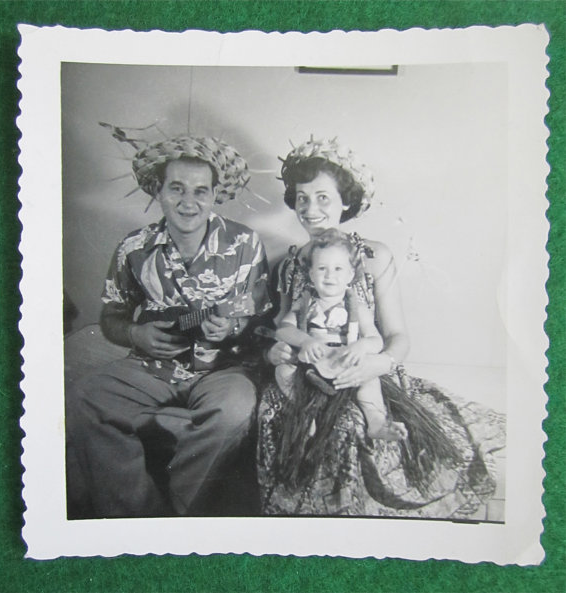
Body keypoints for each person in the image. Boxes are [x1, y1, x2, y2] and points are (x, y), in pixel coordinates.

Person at [257, 137, 505, 517]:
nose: (310, 208)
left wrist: (380, 362)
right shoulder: (290, 265)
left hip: (364, 369)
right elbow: (284, 329)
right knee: (286, 418)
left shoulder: (374, 257)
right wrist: (280, 349)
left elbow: (398, 337)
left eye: (323, 197)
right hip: (310, 373)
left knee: (354, 424)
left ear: (345, 200)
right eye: (302, 198)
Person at [66, 134, 270, 518]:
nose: (188, 202)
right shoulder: (134, 247)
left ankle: (178, 517)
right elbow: (111, 316)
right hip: (150, 368)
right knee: (84, 397)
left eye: (200, 191)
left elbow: (259, 317)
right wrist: (135, 333)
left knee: (235, 411)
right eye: (176, 189)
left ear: (214, 196)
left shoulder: (244, 243)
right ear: (157, 192)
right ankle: (136, 515)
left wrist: (230, 329)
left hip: (221, 370)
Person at [274, 228, 407, 441]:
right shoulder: (304, 303)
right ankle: (305, 412)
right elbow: (284, 329)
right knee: (283, 371)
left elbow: (375, 340)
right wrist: (305, 341)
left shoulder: (357, 306)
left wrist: (360, 347)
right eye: (322, 268)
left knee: (371, 382)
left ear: (350, 275)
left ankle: (376, 422)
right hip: (311, 367)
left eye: (338, 269)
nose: (330, 276)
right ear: (310, 274)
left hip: (347, 368)